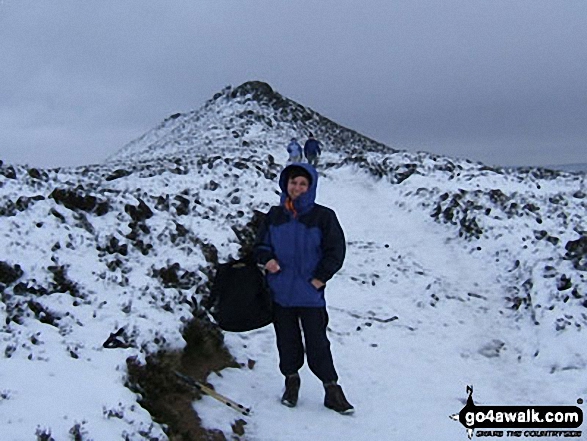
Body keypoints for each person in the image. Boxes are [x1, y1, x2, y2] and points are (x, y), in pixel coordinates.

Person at [254, 162, 354, 414]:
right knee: (286, 341)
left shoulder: (323, 216)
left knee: (318, 342)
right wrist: (268, 260)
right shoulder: (274, 215)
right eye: (293, 183)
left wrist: (320, 278)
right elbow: (260, 245)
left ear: (310, 187)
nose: (297, 188)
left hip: (310, 295)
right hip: (280, 293)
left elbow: (335, 251)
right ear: (285, 185)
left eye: (302, 183)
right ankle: (291, 382)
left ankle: (331, 389)